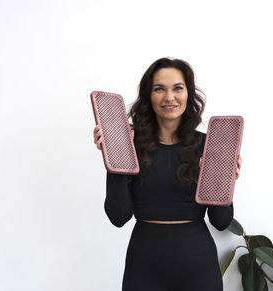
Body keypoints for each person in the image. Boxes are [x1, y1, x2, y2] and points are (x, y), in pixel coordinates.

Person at [92, 57, 242, 291]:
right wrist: (114, 158)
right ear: (148, 96)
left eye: (178, 88)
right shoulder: (129, 145)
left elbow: (221, 222)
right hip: (143, 269)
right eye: (159, 89)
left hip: (198, 268)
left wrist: (222, 181)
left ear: (188, 94)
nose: (169, 97)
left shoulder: (210, 146)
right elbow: (118, 216)